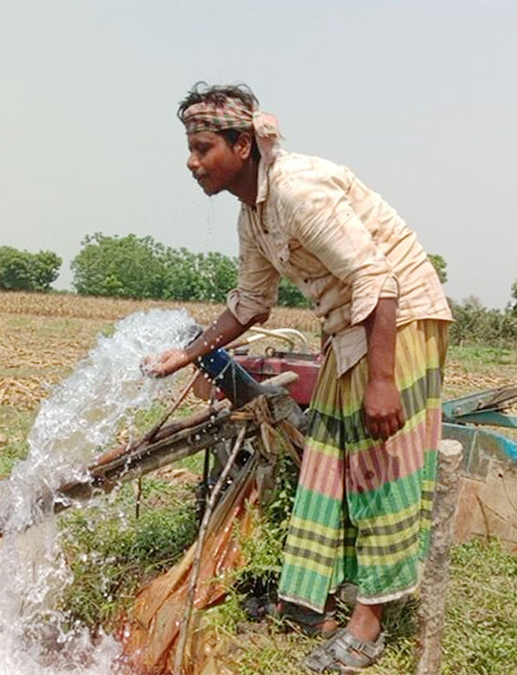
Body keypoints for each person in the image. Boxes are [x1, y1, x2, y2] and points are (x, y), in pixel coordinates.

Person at [144, 83, 452, 673]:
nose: (191, 162)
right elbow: (250, 304)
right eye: (189, 148)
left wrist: (382, 382)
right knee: (330, 456)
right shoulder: (253, 216)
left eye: (203, 148)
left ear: (242, 145)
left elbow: (378, 278)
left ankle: (369, 627)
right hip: (350, 326)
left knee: (380, 464)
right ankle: (320, 601)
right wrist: (186, 355)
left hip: (400, 317)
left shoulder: (296, 190)